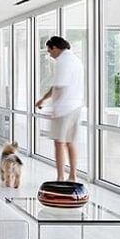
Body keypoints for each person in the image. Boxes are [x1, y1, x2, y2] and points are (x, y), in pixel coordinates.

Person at [35, 35, 83, 182]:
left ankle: (60, 177)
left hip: (64, 108)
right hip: (76, 106)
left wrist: (54, 108)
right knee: (70, 142)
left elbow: (59, 87)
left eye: (50, 52)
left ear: (55, 48)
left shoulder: (62, 61)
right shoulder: (76, 60)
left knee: (59, 143)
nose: (50, 55)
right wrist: (44, 99)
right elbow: (57, 86)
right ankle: (73, 176)